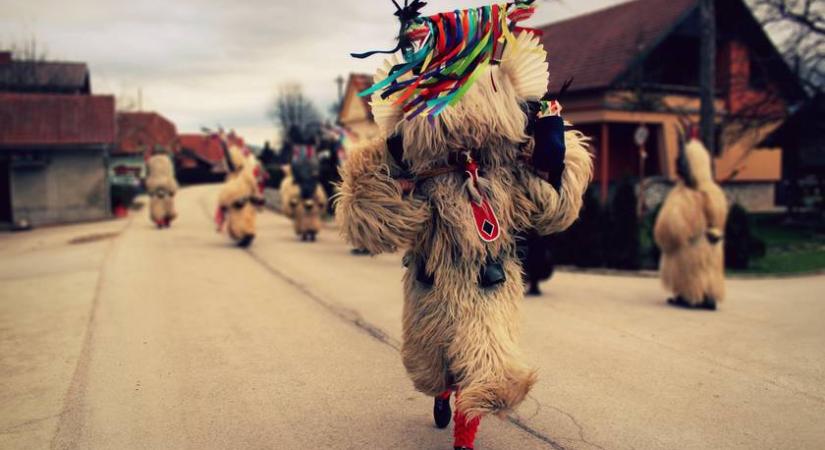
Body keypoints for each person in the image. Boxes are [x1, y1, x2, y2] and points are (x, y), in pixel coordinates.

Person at [337, 1, 593, 448]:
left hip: (490, 280)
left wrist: (553, 164)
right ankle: (441, 393)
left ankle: (464, 437)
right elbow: (375, 230)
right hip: (431, 280)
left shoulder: (506, 159)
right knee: (433, 360)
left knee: (490, 365)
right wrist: (381, 171)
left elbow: (551, 211)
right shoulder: (419, 160)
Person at [654, 133, 728, 310]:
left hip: (692, 246)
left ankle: (691, 296)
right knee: (708, 268)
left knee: (692, 269)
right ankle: (707, 295)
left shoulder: (686, 196)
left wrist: (666, 237)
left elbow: (673, 228)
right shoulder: (714, 193)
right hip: (711, 243)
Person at [145, 150, 178, 229]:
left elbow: (148, 173)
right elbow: (171, 173)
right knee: (169, 201)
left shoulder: (150, 161)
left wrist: (148, 187)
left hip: (154, 183)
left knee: (156, 202)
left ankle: (159, 219)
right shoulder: (168, 160)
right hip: (167, 182)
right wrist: (173, 188)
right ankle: (168, 218)